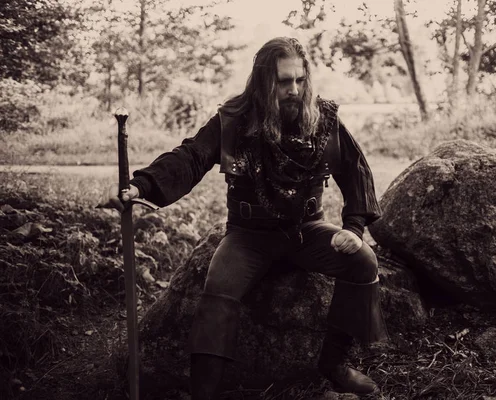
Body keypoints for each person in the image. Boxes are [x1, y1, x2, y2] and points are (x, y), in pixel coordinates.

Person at [103, 37, 389, 399]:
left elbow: (356, 170)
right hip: (248, 235)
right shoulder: (234, 118)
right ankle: (203, 393)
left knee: (364, 262)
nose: (294, 90)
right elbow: (192, 156)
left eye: (300, 80)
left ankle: (334, 364)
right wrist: (141, 186)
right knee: (218, 290)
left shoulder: (324, 118)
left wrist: (353, 227)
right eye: (284, 82)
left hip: (307, 230)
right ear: (263, 81)